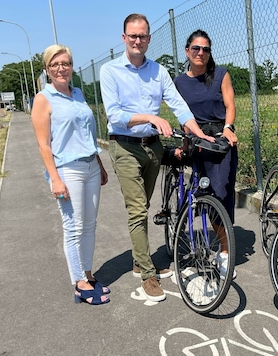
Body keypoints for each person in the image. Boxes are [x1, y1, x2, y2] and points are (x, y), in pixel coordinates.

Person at [99, 13, 213, 302]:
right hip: (125, 146)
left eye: (143, 36)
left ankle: (139, 259)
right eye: (133, 36)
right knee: (137, 210)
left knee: (145, 204)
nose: (138, 40)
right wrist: (150, 116)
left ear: (148, 39)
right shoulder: (110, 71)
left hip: (153, 148)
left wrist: (200, 134)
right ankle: (147, 274)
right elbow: (114, 115)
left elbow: (178, 104)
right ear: (124, 38)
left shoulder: (159, 71)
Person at [31, 44, 110, 305]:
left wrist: (99, 162)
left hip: (89, 165)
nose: (61, 68)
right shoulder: (44, 99)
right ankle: (78, 282)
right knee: (74, 227)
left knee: (90, 225)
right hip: (67, 169)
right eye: (55, 65)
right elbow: (44, 144)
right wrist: (55, 178)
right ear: (47, 70)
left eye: (65, 63)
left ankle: (88, 273)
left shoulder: (77, 93)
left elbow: (86, 134)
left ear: (72, 67)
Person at [173, 29, 238, 279]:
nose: (201, 53)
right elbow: (182, 116)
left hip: (219, 140)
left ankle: (224, 252)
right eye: (196, 48)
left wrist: (228, 128)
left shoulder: (220, 74)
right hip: (196, 140)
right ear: (187, 51)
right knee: (204, 194)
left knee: (221, 195)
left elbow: (230, 104)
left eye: (206, 49)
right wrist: (187, 145)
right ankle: (204, 242)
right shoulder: (179, 82)